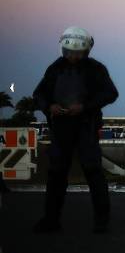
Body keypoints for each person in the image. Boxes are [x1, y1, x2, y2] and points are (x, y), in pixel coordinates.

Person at [32, 27, 118, 233]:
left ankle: (101, 222)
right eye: (68, 52)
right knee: (56, 174)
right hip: (61, 128)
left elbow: (111, 93)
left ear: (86, 51)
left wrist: (85, 106)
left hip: (86, 127)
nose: (72, 57)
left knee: (93, 172)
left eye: (76, 53)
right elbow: (39, 93)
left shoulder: (96, 69)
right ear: (63, 49)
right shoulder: (55, 69)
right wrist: (49, 107)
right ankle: (51, 220)